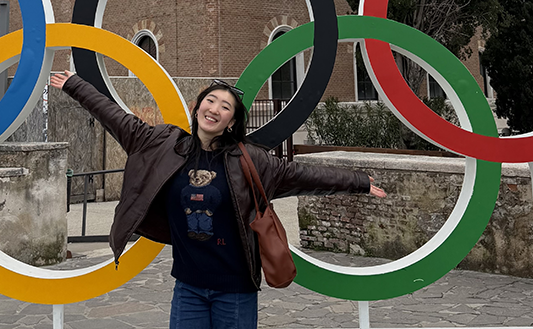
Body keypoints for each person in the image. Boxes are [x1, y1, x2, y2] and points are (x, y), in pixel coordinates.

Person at [50, 70, 386, 329]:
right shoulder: (162, 144)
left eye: (225, 107)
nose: (215, 109)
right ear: (197, 108)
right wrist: (74, 84)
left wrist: (358, 182)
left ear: (231, 123)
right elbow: (115, 116)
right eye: (210, 101)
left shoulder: (252, 161)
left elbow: (303, 176)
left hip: (235, 292)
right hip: (188, 288)